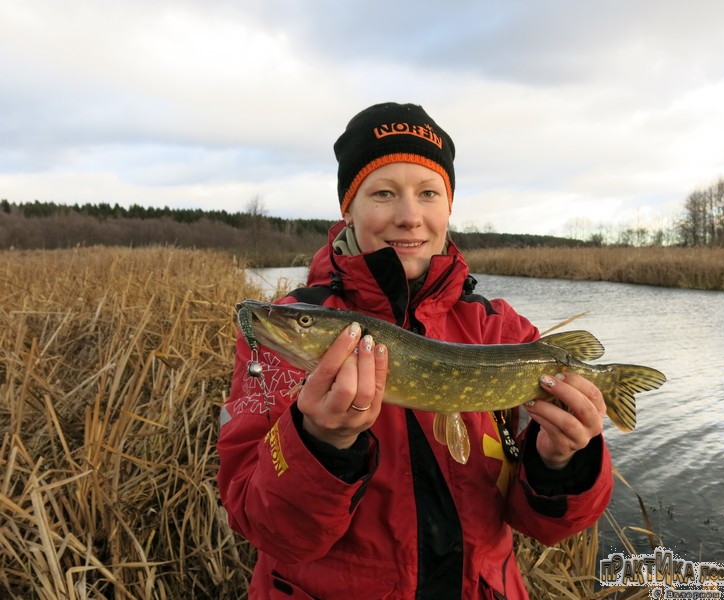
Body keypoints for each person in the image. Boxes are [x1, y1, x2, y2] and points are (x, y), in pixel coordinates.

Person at [217, 102, 613, 599]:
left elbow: (544, 525)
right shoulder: (283, 340)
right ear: (348, 208)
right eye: (383, 193)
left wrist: (561, 460)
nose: (409, 217)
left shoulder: (502, 330)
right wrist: (321, 443)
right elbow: (265, 526)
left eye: (428, 193)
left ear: (448, 207)